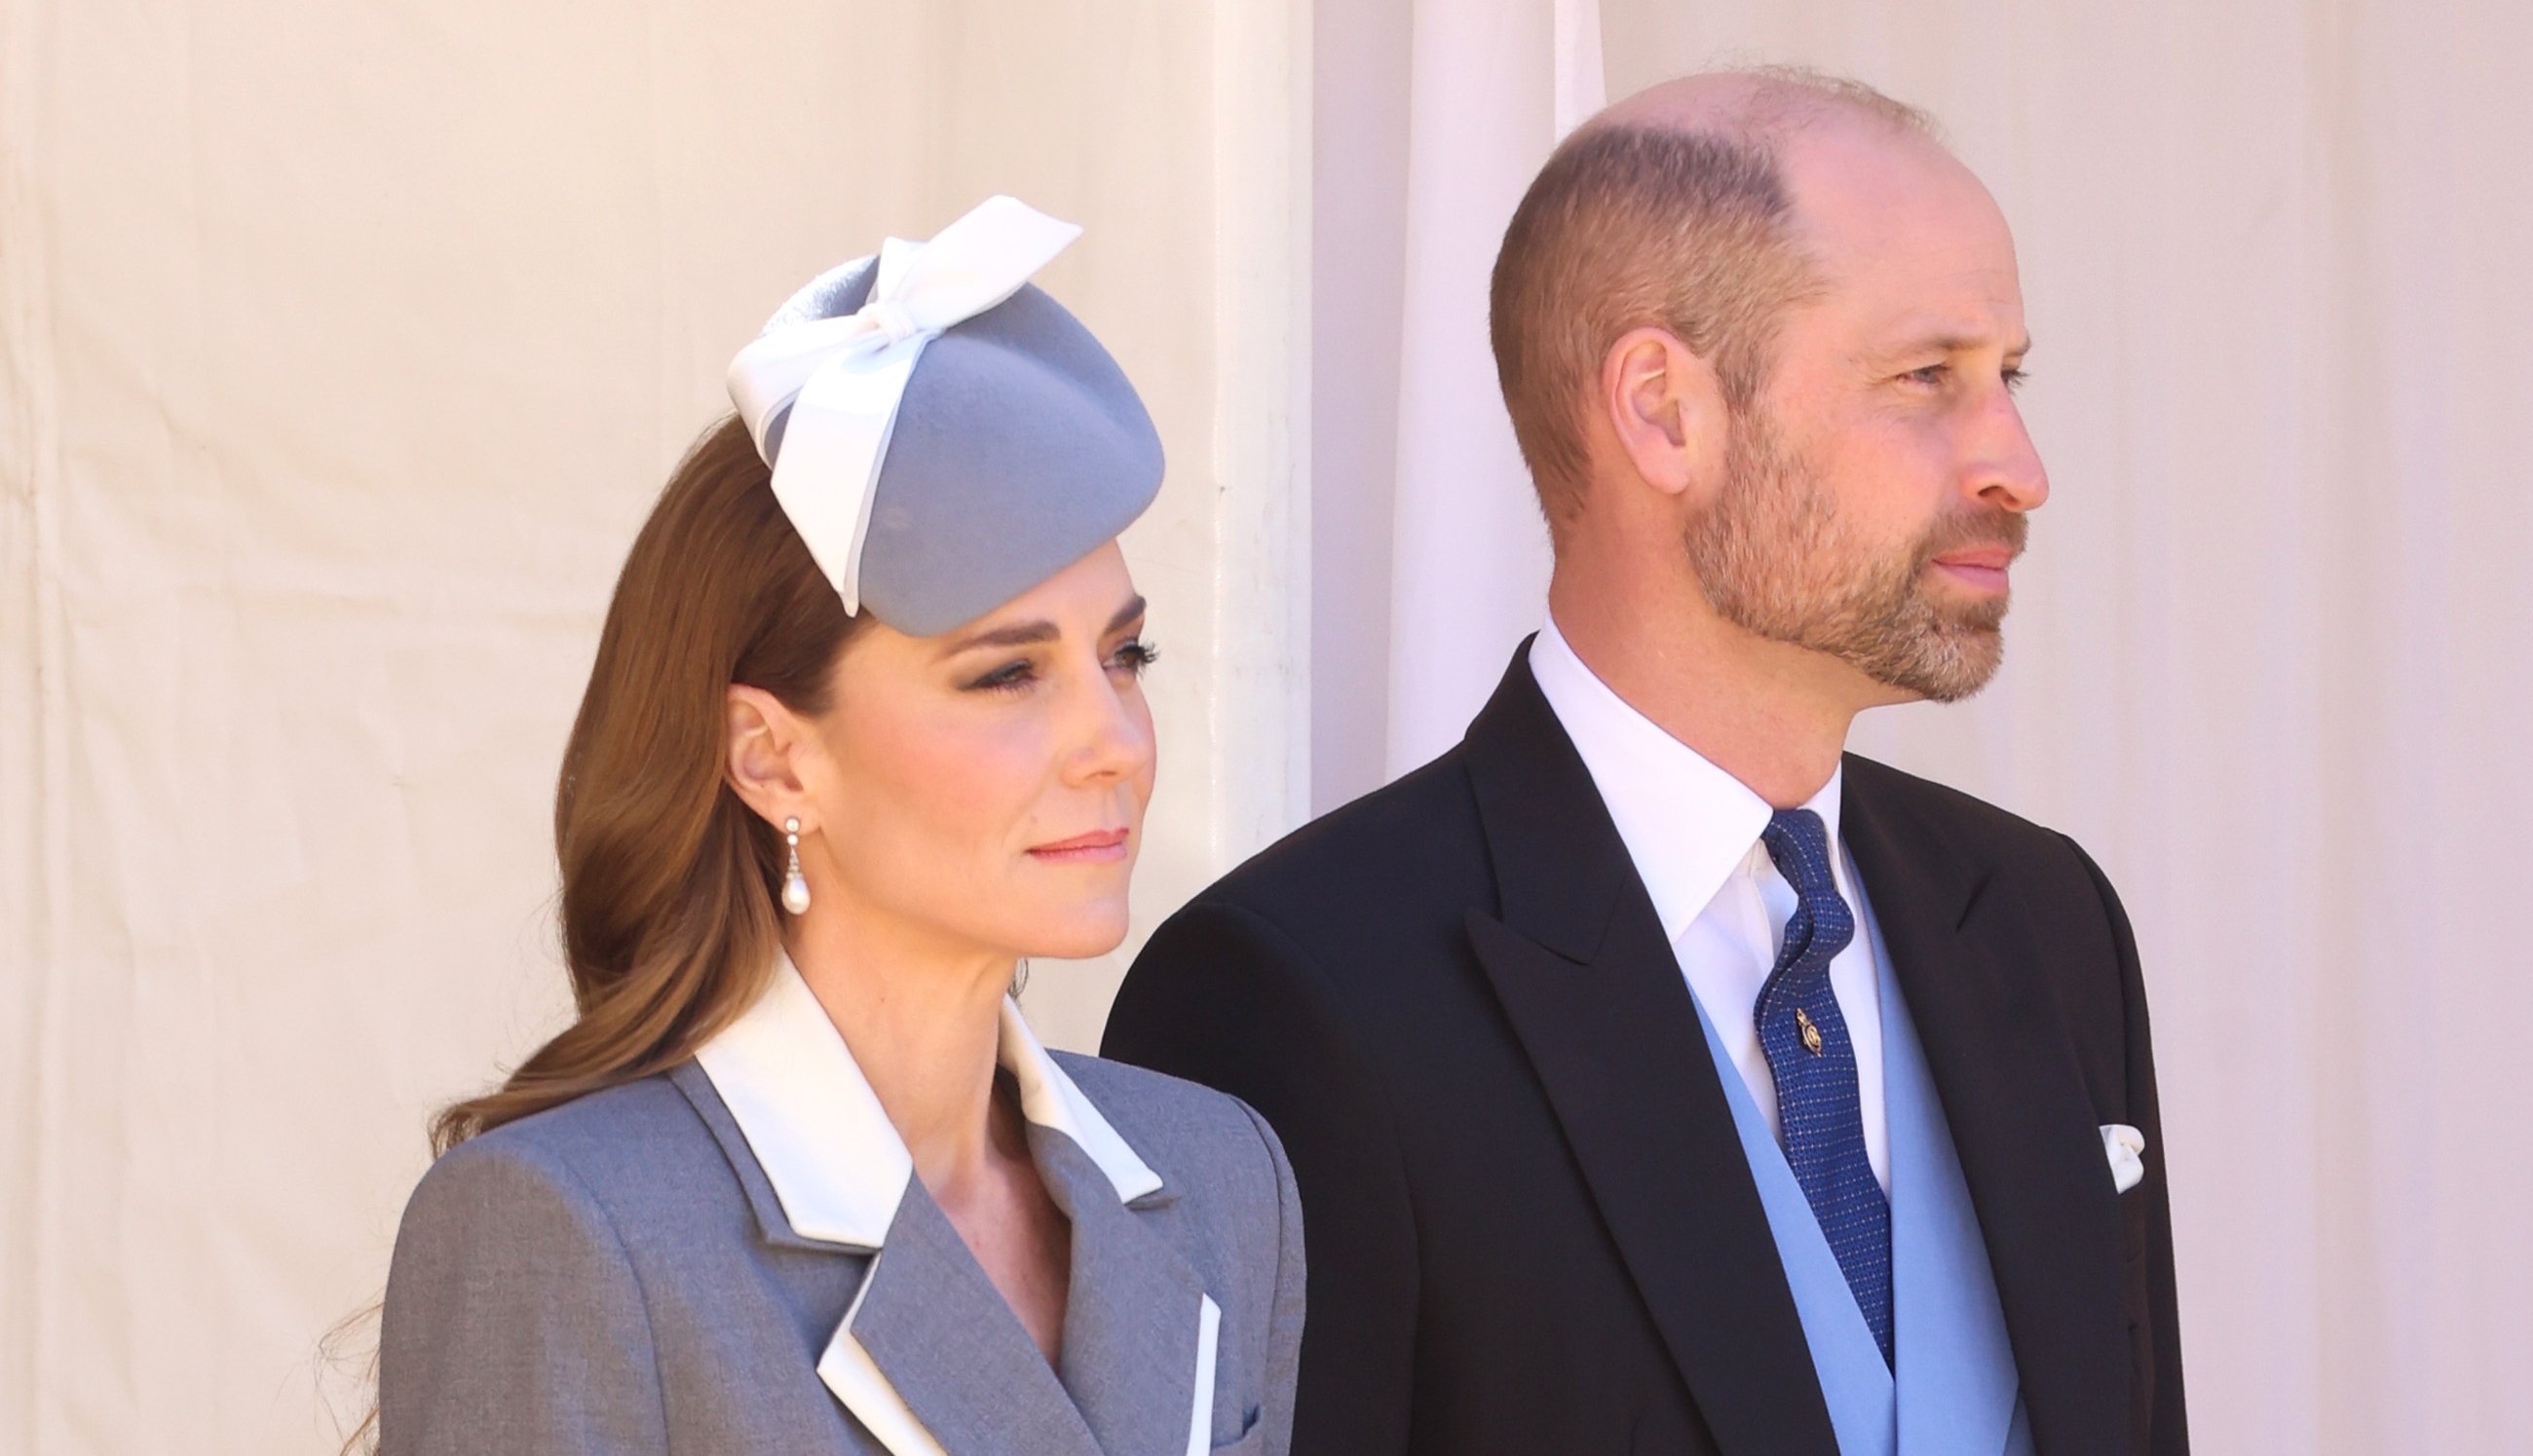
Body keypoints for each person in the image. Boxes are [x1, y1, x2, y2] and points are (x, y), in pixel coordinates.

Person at [1103, 70, 2185, 1456]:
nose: (2016, 464)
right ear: (1662, 412)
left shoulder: (2043, 921)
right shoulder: (1294, 995)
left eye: (2007, 377)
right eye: (1927, 378)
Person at [375, 197, 1303, 1456]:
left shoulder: (1218, 1179)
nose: (1118, 742)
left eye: (1124, 654)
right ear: (771, 757)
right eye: (1005, 675)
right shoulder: (569, 1229)